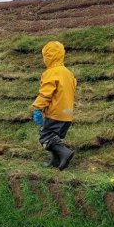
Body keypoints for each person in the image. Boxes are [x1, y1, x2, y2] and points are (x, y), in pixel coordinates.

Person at [31, 41, 76, 170]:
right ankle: (55, 161)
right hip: (67, 113)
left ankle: (64, 153)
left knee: (45, 136)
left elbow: (46, 94)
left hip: (55, 113)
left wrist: (38, 108)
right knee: (54, 137)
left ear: (48, 57)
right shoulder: (68, 73)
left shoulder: (51, 73)